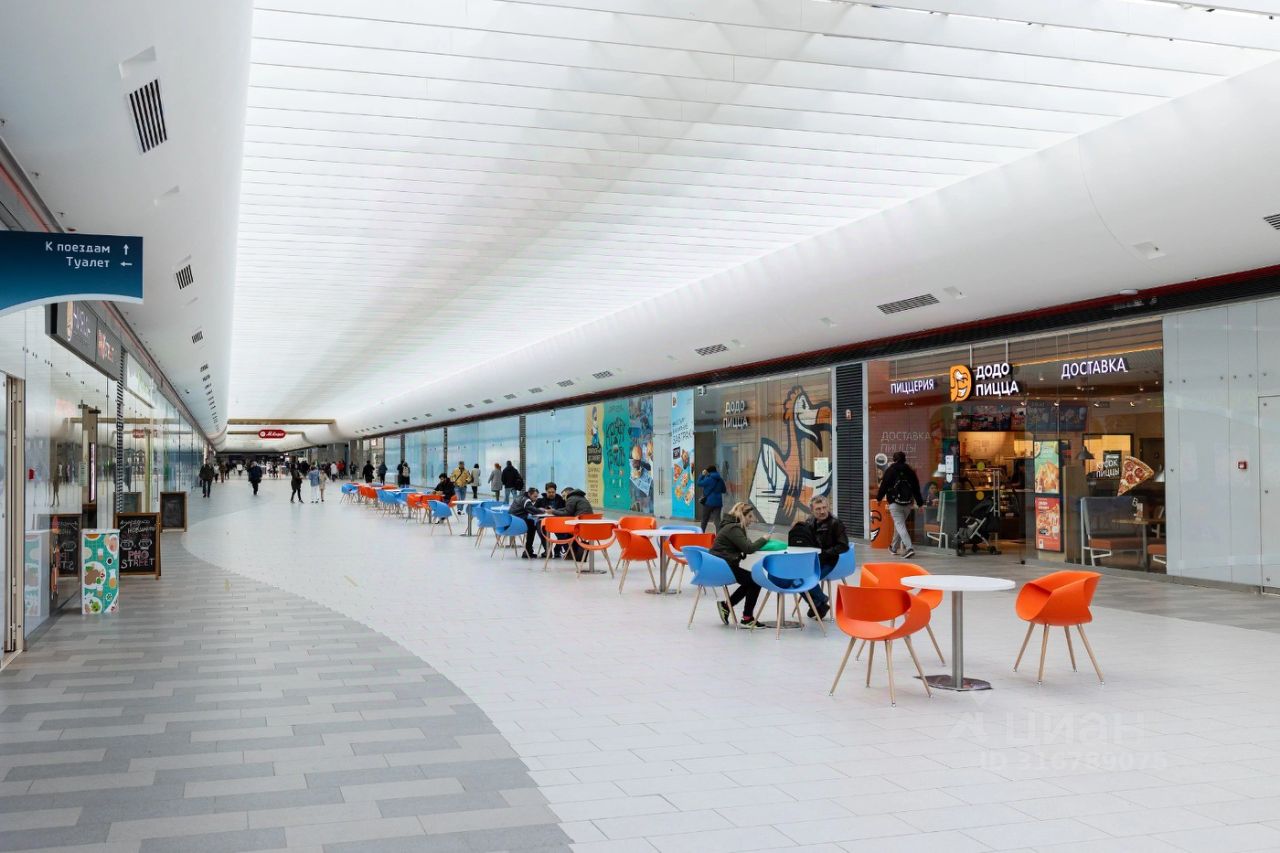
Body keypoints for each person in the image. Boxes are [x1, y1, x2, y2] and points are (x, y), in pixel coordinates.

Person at [710, 502, 769, 628]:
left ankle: (727, 607)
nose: (752, 520)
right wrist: (763, 539)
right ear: (742, 516)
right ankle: (747, 618)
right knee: (755, 580)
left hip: (720, 565)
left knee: (752, 581)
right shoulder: (734, 528)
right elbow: (748, 548)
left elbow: (745, 545)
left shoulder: (731, 526)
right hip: (723, 566)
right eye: (750, 516)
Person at [789, 495, 849, 620]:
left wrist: (825, 553)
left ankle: (817, 605)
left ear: (828, 507)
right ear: (812, 510)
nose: (822, 511)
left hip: (829, 560)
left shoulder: (836, 523)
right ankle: (820, 603)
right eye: (818, 509)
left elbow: (843, 546)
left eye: (824, 508)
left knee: (805, 578)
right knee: (794, 578)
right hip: (812, 560)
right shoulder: (809, 521)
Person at [876, 451, 925, 558]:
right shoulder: (910, 471)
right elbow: (916, 488)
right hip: (907, 503)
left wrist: (879, 498)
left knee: (900, 525)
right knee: (899, 525)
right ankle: (893, 547)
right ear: (904, 459)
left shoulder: (890, 470)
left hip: (895, 503)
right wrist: (920, 503)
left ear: (894, 459)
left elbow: (884, 486)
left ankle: (909, 548)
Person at [534, 482, 568, 557]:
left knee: (563, 534)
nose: (551, 494)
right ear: (546, 491)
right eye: (549, 492)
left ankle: (557, 550)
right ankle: (548, 550)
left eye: (553, 492)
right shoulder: (540, 500)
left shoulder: (561, 500)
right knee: (541, 530)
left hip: (557, 521)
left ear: (555, 491)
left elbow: (565, 510)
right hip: (543, 521)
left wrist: (555, 511)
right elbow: (534, 510)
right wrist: (541, 509)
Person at [507, 486, 541, 558]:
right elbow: (533, 510)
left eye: (537, 497)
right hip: (516, 524)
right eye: (535, 497)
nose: (536, 499)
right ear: (529, 494)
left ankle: (528, 550)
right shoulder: (526, 500)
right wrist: (544, 511)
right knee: (533, 526)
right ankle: (528, 551)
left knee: (531, 523)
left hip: (510, 522)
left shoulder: (520, 497)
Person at [696, 465, 727, 532]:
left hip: (708, 502)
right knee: (717, 520)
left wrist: (702, 475)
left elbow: (699, 483)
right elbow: (724, 490)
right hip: (718, 503)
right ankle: (719, 535)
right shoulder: (720, 479)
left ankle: (702, 533)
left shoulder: (708, 479)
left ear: (708, 471)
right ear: (716, 470)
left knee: (705, 519)